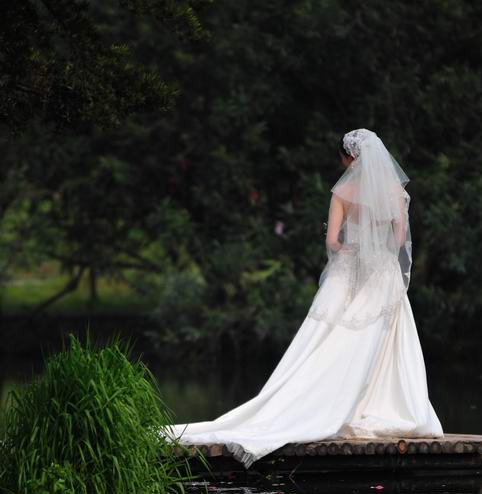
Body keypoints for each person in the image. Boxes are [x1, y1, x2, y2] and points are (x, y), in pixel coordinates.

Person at [167, 128, 443, 467]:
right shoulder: (395, 193)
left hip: (348, 271)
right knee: (384, 340)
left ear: (348, 158)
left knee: (327, 339)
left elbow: (331, 242)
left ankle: (314, 403)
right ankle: (382, 406)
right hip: (381, 274)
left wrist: (350, 250)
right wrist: (375, 248)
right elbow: (399, 240)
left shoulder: (342, 190)